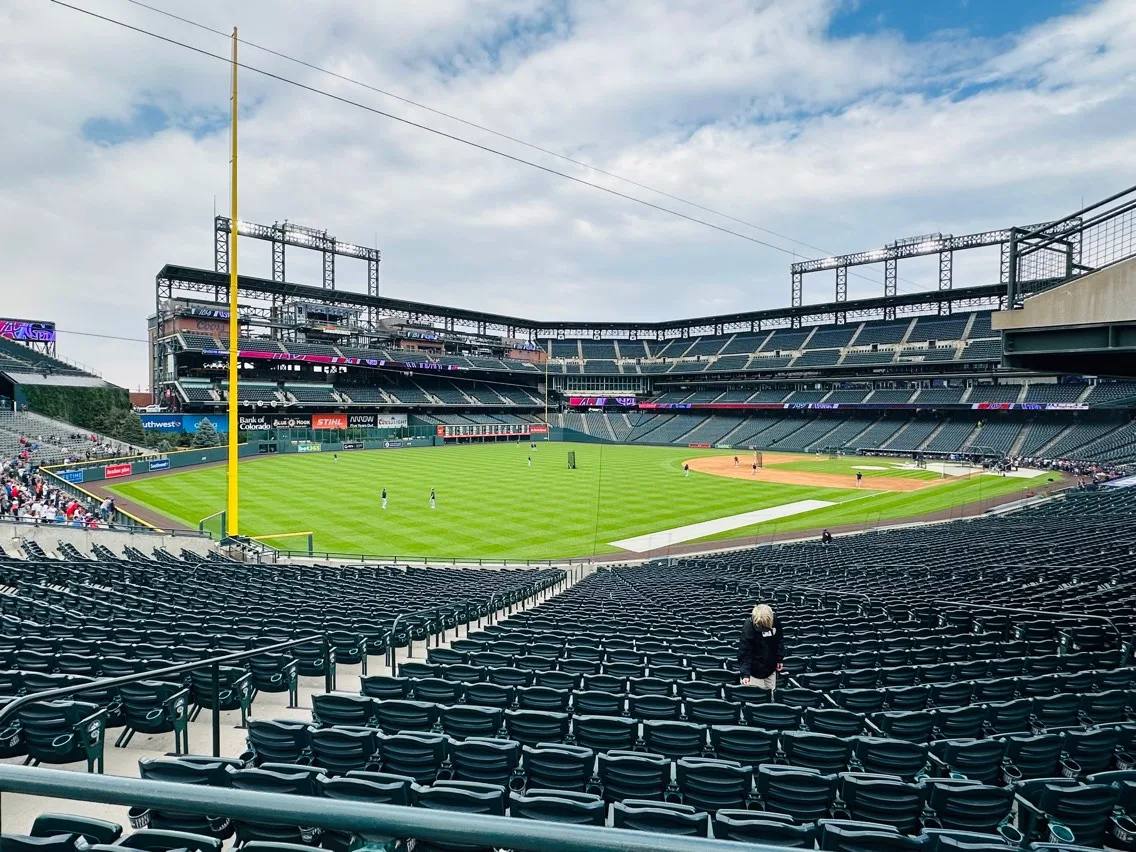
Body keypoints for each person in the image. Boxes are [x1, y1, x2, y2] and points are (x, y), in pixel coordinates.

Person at [738, 603, 784, 690]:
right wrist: (745, 674)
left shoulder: (775, 621)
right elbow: (745, 652)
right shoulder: (748, 627)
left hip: (770, 668)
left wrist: (779, 659)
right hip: (753, 672)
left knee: (770, 695)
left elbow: (779, 640)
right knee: (757, 696)